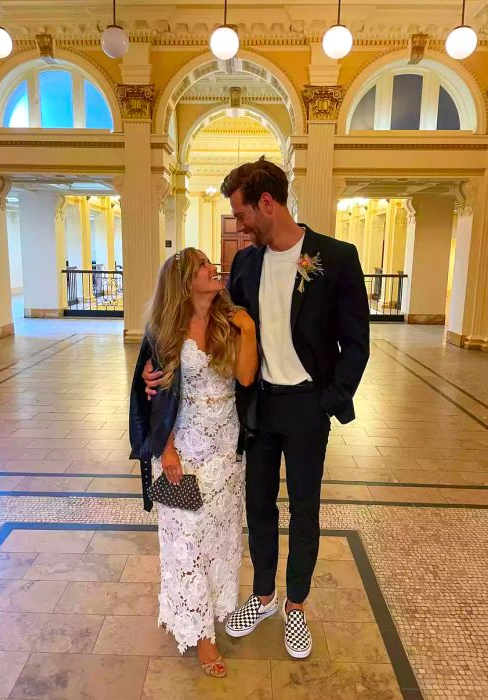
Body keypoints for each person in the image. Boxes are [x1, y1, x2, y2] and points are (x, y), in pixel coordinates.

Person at [144, 157, 370, 659]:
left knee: (305, 508)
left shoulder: (336, 257)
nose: (240, 226)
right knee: (259, 506)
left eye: (243, 214)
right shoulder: (247, 264)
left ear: (267, 203)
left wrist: (329, 401)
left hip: (308, 407)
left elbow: (357, 342)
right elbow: (194, 324)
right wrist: (154, 373)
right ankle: (264, 595)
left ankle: (295, 606)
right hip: (257, 409)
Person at [129, 247, 258, 678]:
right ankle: (201, 634)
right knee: (187, 541)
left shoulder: (228, 321)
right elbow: (153, 399)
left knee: (220, 539)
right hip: (183, 450)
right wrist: (165, 449)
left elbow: (244, 377)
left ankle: (215, 611)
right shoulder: (164, 330)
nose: (212, 270)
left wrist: (249, 330)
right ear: (186, 283)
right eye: (203, 266)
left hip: (226, 450)